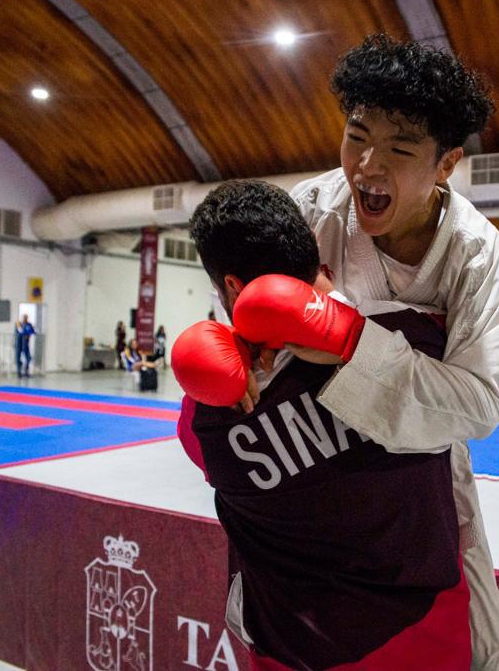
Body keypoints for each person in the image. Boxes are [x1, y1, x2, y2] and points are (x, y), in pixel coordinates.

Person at [280, 34, 499, 669]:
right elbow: (251, 327)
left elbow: (477, 405)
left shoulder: (477, 252)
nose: (366, 166)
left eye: (400, 147)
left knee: (483, 636)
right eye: (356, 136)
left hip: (425, 469)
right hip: (314, 461)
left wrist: (345, 341)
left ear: (447, 163)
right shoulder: (309, 211)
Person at [177, 180, 471, 668]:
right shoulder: (413, 334)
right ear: (313, 250)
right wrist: (351, 331)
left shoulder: (209, 416)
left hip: (290, 646)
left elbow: (202, 457)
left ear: (230, 285)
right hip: (427, 630)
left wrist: (225, 344)